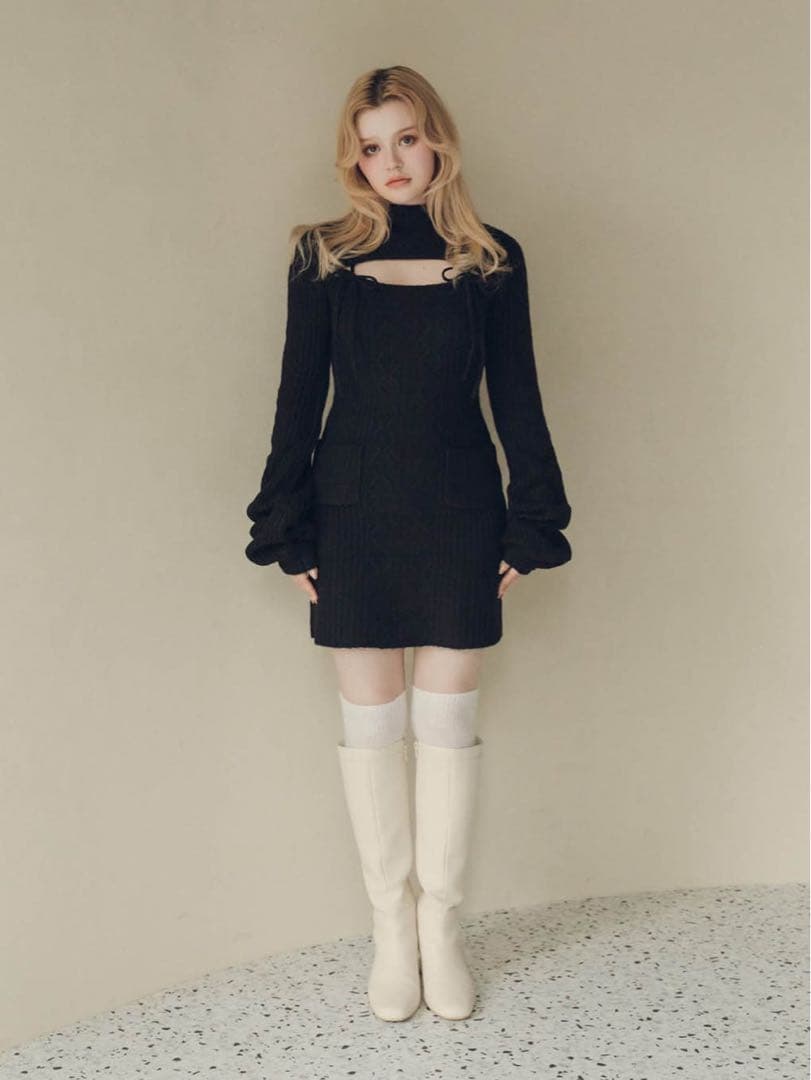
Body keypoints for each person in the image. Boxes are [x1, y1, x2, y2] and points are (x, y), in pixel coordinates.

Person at [244, 66, 572, 1023]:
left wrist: (532, 520)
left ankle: (440, 931)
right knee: (371, 730)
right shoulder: (320, 258)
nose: (389, 161)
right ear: (352, 157)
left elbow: (518, 398)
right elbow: (296, 399)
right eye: (370, 145)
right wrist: (284, 523)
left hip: (459, 511)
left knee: (446, 728)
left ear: (438, 141)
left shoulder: (492, 260)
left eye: (406, 138)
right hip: (350, 513)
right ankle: (391, 933)